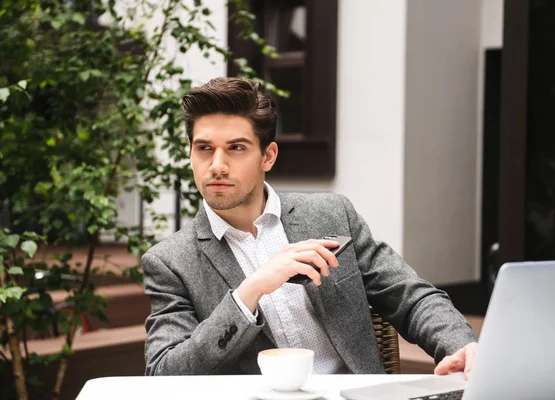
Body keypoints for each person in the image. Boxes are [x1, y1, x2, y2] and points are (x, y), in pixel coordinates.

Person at [142, 77, 478, 378]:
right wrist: (249, 292)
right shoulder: (170, 262)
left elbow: (409, 295)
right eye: (204, 149)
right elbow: (165, 373)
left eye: (236, 148)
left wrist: (459, 346)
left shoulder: (331, 214)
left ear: (268, 156)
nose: (216, 165)